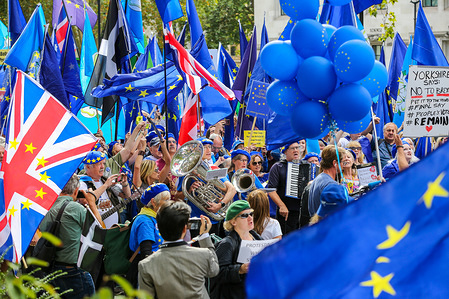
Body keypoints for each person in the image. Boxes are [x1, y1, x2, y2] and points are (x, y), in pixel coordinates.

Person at [37, 175, 104, 299]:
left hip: (50, 270)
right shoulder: (75, 208)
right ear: (75, 191)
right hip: (73, 272)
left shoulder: (44, 208)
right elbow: (100, 231)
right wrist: (92, 203)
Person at [138, 201, 219, 298]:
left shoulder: (146, 265)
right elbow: (214, 270)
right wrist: (204, 236)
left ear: (158, 227)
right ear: (185, 229)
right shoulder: (204, 254)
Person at [211, 200, 262, 299]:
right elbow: (217, 273)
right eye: (244, 215)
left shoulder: (257, 238)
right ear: (233, 221)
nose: (250, 218)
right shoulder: (227, 243)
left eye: (251, 214)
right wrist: (240, 269)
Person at [128, 183, 171, 287]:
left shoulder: (155, 216)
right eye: (165, 200)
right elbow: (146, 253)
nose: (169, 203)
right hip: (145, 271)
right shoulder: (145, 220)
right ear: (153, 202)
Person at [266, 142, 311, 235]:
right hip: (286, 211)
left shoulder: (307, 166)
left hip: (303, 211)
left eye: (297, 148)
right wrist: (281, 206)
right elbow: (271, 190)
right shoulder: (278, 167)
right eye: (292, 148)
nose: (295, 150)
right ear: (285, 152)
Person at [80, 151, 131, 228]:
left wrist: (125, 183)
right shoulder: (82, 182)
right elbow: (86, 200)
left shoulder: (104, 180)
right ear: (88, 167)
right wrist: (106, 185)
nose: (102, 167)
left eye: (103, 163)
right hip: (95, 232)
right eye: (99, 164)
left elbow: (126, 195)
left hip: (113, 230)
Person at [308, 145, 347, 216]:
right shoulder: (331, 185)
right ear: (335, 163)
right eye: (342, 162)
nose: (343, 166)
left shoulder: (318, 179)